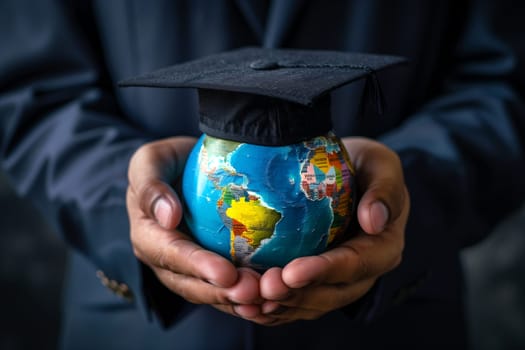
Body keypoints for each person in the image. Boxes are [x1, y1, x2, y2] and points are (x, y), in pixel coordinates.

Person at [0, 1, 523, 349]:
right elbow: (31, 90)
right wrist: (130, 199)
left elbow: (505, 81)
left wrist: (409, 186)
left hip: (392, 326)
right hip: (139, 331)